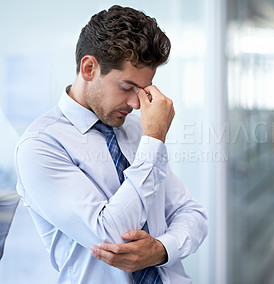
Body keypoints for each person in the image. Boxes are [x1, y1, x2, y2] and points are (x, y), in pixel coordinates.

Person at [15, 5, 207, 284]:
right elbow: (111, 236)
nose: (135, 104)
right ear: (89, 68)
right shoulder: (40, 146)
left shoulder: (133, 130)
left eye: (142, 90)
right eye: (127, 87)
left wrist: (162, 249)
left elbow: (192, 214)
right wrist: (154, 140)